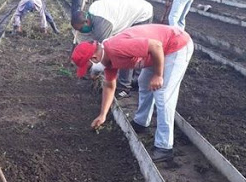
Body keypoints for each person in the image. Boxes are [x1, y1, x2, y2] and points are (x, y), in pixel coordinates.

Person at [71, 24, 194, 163]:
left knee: (163, 94)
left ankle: (164, 147)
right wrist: (103, 115)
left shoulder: (116, 48)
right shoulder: (107, 60)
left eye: (88, 68)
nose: (91, 72)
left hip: (175, 45)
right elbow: (110, 86)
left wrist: (158, 75)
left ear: (93, 58)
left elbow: (156, 46)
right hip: (156, 51)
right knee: (144, 82)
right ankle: (141, 122)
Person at [71, 0, 153, 98]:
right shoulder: (92, 14)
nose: (81, 31)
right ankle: (134, 79)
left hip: (142, 14)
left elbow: (107, 54)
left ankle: (125, 87)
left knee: (127, 52)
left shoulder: (101, 26)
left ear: (86, 22)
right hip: (130, 12)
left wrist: (96, 71)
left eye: (81, 29)